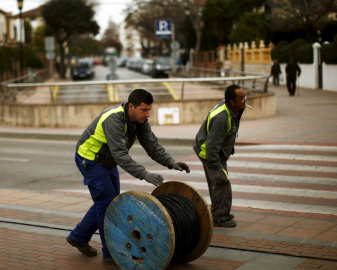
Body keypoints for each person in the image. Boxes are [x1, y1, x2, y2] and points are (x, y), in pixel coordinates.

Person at [66, 89, 190, 265]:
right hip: (90, 159)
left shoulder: (140, 121)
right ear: (131, 106)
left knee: (109, 202)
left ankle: (78, 237)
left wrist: (171, 163)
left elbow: (152, 146)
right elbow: (121, 155)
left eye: (149, 110)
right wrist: (144, 174)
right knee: (108, 204)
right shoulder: (113, 119)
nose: (147, 115)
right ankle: (110, 253)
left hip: (107, 161)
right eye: (144, 110)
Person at [193, 84, 246, 228]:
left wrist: (229, 147)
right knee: (221, 182)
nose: (245, 100)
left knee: (217, 183)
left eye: (245, 97)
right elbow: (212, 145)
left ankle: (219, 212)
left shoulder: (232, 109)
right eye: (241, 98)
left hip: (217, 151)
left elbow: (229, 131)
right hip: (209, 152)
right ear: (232, 102)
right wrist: (216, 167)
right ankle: (219, 217)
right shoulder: (222, 117)